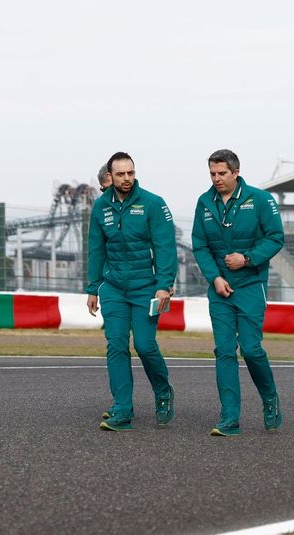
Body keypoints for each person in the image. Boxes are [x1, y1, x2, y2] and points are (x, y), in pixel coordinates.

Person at [192, 149, 284, 437]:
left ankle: (269, 398)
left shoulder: (260, 199)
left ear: (236, 172)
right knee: (223, 350)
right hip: (219, 289)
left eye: (221, 173)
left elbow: (275, 238)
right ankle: (229, 416)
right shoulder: (204, 202)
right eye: (212, 174)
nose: (216, 179)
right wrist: (215, 277)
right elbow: (200, 245)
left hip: (250, 285)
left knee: (251, 348)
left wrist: (247, 259)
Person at [86, 152, 177, 431]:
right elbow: (96, 249)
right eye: (121, 174)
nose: (127, 179)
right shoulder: (100, 207)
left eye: (131, 173)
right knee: (115, 345)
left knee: (144, 346)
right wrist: (93, 288)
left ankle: (163, 392)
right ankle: (123, 409)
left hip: (145, 289)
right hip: (113, 288)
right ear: (109, 177)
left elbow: (165, 247)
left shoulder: (153, 203)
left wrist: (164, 285)